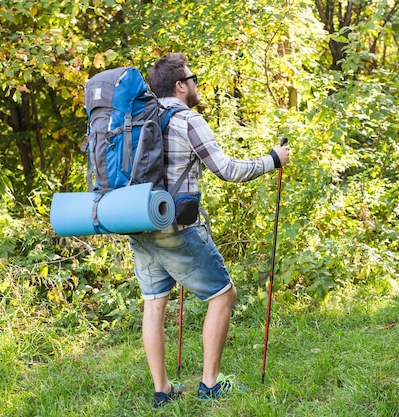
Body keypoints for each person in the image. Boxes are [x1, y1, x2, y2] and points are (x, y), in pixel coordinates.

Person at [129, 52, 291, 408]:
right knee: (222, 294)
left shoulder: (138, 118)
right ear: (180, 86)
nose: (197, 84)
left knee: (154, 304)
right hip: (175, 226)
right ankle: (210, 384)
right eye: (194, 78)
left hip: (137, 221)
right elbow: (227, 170)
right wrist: (272, 160)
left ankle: (163, 390)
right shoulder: (187, 120)